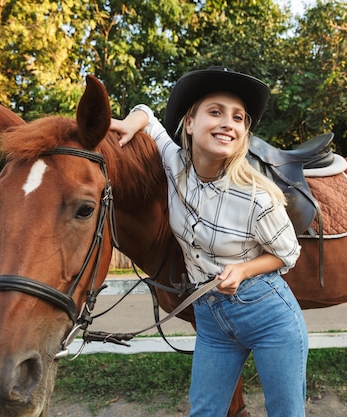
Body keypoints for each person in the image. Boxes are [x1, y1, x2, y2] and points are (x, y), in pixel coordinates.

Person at [110, 66, 308, 417]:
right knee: (203, 412)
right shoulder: (174, 163)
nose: (228, 123)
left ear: (243, 132)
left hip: (268, 315)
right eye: (215, 112)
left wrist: (244, 269)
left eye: (238, 118)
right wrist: (130, 122)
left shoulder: (256, 198)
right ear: (189, 123)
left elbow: (288, 253)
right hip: (211, 318)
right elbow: (147, 114)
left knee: (286, 413)